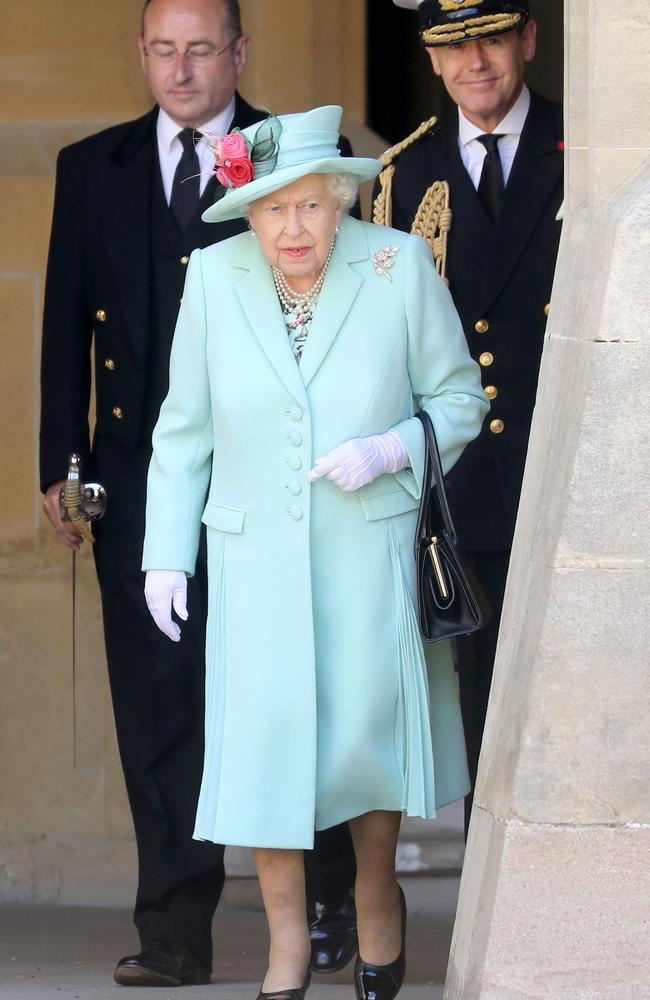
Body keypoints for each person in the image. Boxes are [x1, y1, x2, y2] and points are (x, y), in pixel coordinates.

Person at [142, 104, 488, 1000]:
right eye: (269, 209)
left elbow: (460, 401)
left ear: (341, 199)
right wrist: (165, 554)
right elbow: (183, 434)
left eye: (309, 207)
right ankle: (286, 945)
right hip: (254, 564)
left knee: (364, 749)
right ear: (245, 214)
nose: (291, 229)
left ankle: (377, 897)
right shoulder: (214, 278)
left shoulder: (396, 264)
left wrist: (392, 449)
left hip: (365, 556)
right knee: (265, 753)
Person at [39, 0, 353, 986]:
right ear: (142, 55)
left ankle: (328, 902)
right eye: (163, 52)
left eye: (201, 50)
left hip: (279, 480)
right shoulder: (92, 167)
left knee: (296, 698)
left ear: (238, 54)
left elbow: (347, 313)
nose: (180, 72)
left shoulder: (299, 154)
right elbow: (64, 328)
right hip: (138, 483)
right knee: (158, 708)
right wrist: (63, 459)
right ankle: (174, 930)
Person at [377, 0, 564, 827]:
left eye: (491, 37)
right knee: (481, 705)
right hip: (464, 483)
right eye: (453, 47)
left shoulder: (585, 149)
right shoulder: (402, 175)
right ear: (430, 57)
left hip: (569, 468)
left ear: (529, 37)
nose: (475, 62)